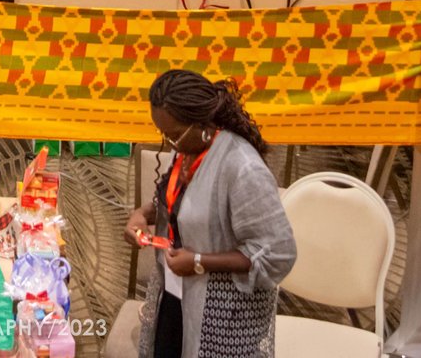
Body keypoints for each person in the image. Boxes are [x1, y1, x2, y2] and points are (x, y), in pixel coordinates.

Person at [124, 70, 296, 358]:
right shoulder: (191, 148)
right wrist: (141, 215)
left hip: (223, 318)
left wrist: (200, 262)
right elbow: (184, 204)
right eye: (163, 133)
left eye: (174, 134)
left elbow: (277, 253)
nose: (169, 143)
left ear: (203, 124)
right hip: (175, 295)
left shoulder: (243, 169)